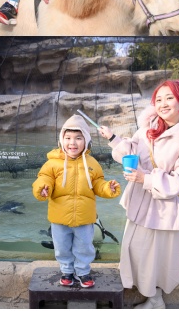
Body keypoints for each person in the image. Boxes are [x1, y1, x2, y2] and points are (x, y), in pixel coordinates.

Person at [97, 80, 179, 309]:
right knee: (134, 247)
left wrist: (146, 179)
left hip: (164, 206)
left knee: (157, 255)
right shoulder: (148, 126)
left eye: (169, 98)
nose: (163, 104)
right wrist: (114, 139)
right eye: (158, 99)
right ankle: (138, 287)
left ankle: (155, 300)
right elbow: (132, 151)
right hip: (141, 200)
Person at [33, 115, 121, 288]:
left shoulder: (92, 163)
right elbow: (43, 178)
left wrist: (107, 188)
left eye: (78, 138)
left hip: (84, 217)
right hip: (59, 217)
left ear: (86, 141)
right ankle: (66, 270)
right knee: (62, 247)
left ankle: (82, 271)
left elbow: (97, 183)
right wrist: (42, 188)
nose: (72, 143)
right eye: (68, 138)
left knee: (84, 247)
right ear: (61, 140)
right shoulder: (52, 163)